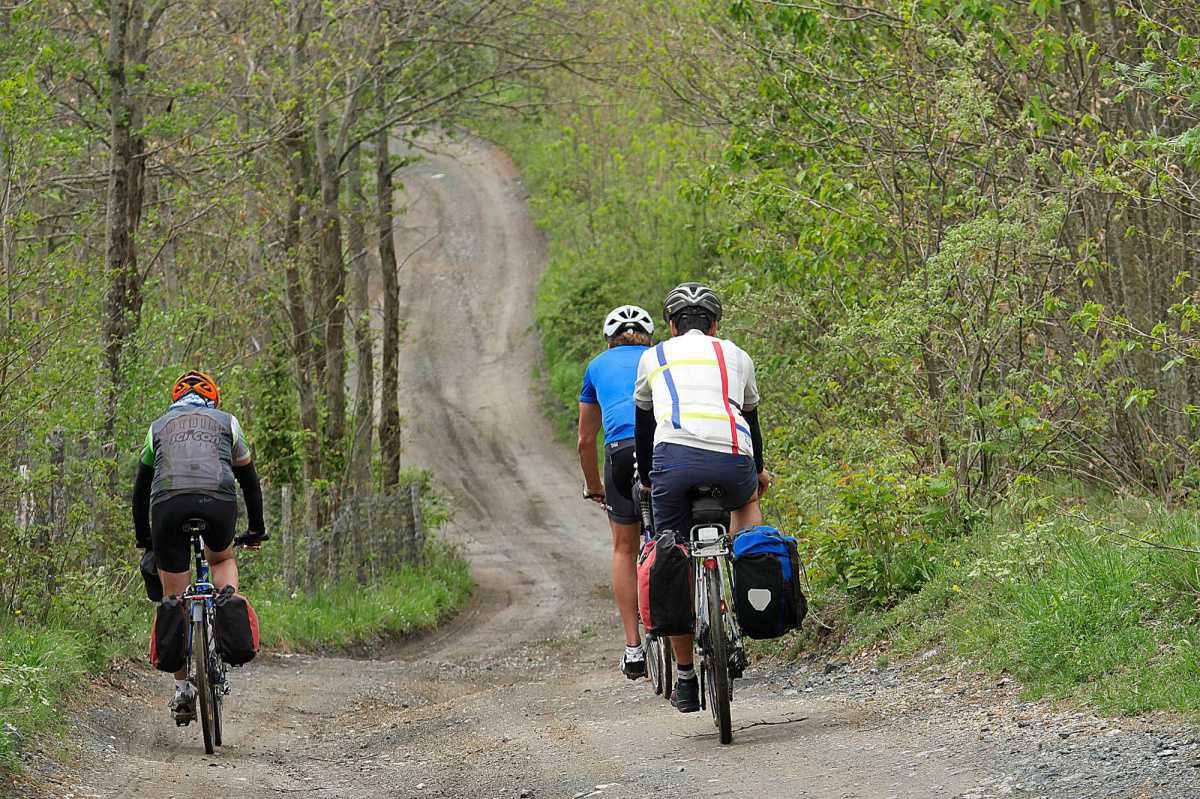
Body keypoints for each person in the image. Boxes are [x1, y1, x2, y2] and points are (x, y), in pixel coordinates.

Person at [633, 283, 770, 712]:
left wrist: (649, 480)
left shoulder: (653, 356)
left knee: (672, 556)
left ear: (671, 326)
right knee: (747, 504)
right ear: (715, 324)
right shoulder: (736, 355)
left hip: (673, 463)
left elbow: (643, 428)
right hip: (732, 461)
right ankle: (749, 584)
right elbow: (751, 419)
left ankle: (687, 677)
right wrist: (758, 472)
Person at [132, 370, 267, 722]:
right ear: (214, 399)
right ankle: (225, 597)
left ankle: (182, 691)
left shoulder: (157, 427)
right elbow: (249, 481)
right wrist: (256, 529)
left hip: (167, 505)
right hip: (217, 501)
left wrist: (145, 538)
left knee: (174, 597)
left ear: (175, 400)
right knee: (221, 556)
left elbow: (141, 488)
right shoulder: (228, 423)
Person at [578, 305, 656, 679]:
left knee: (624, 547)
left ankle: (633, 647)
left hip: (621, 453)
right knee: (677, 531)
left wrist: (594, 487)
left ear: (609, 341)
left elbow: (584, 439)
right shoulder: (660, 357)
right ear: (650, 336)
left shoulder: (596, 366)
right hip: (664, 447)